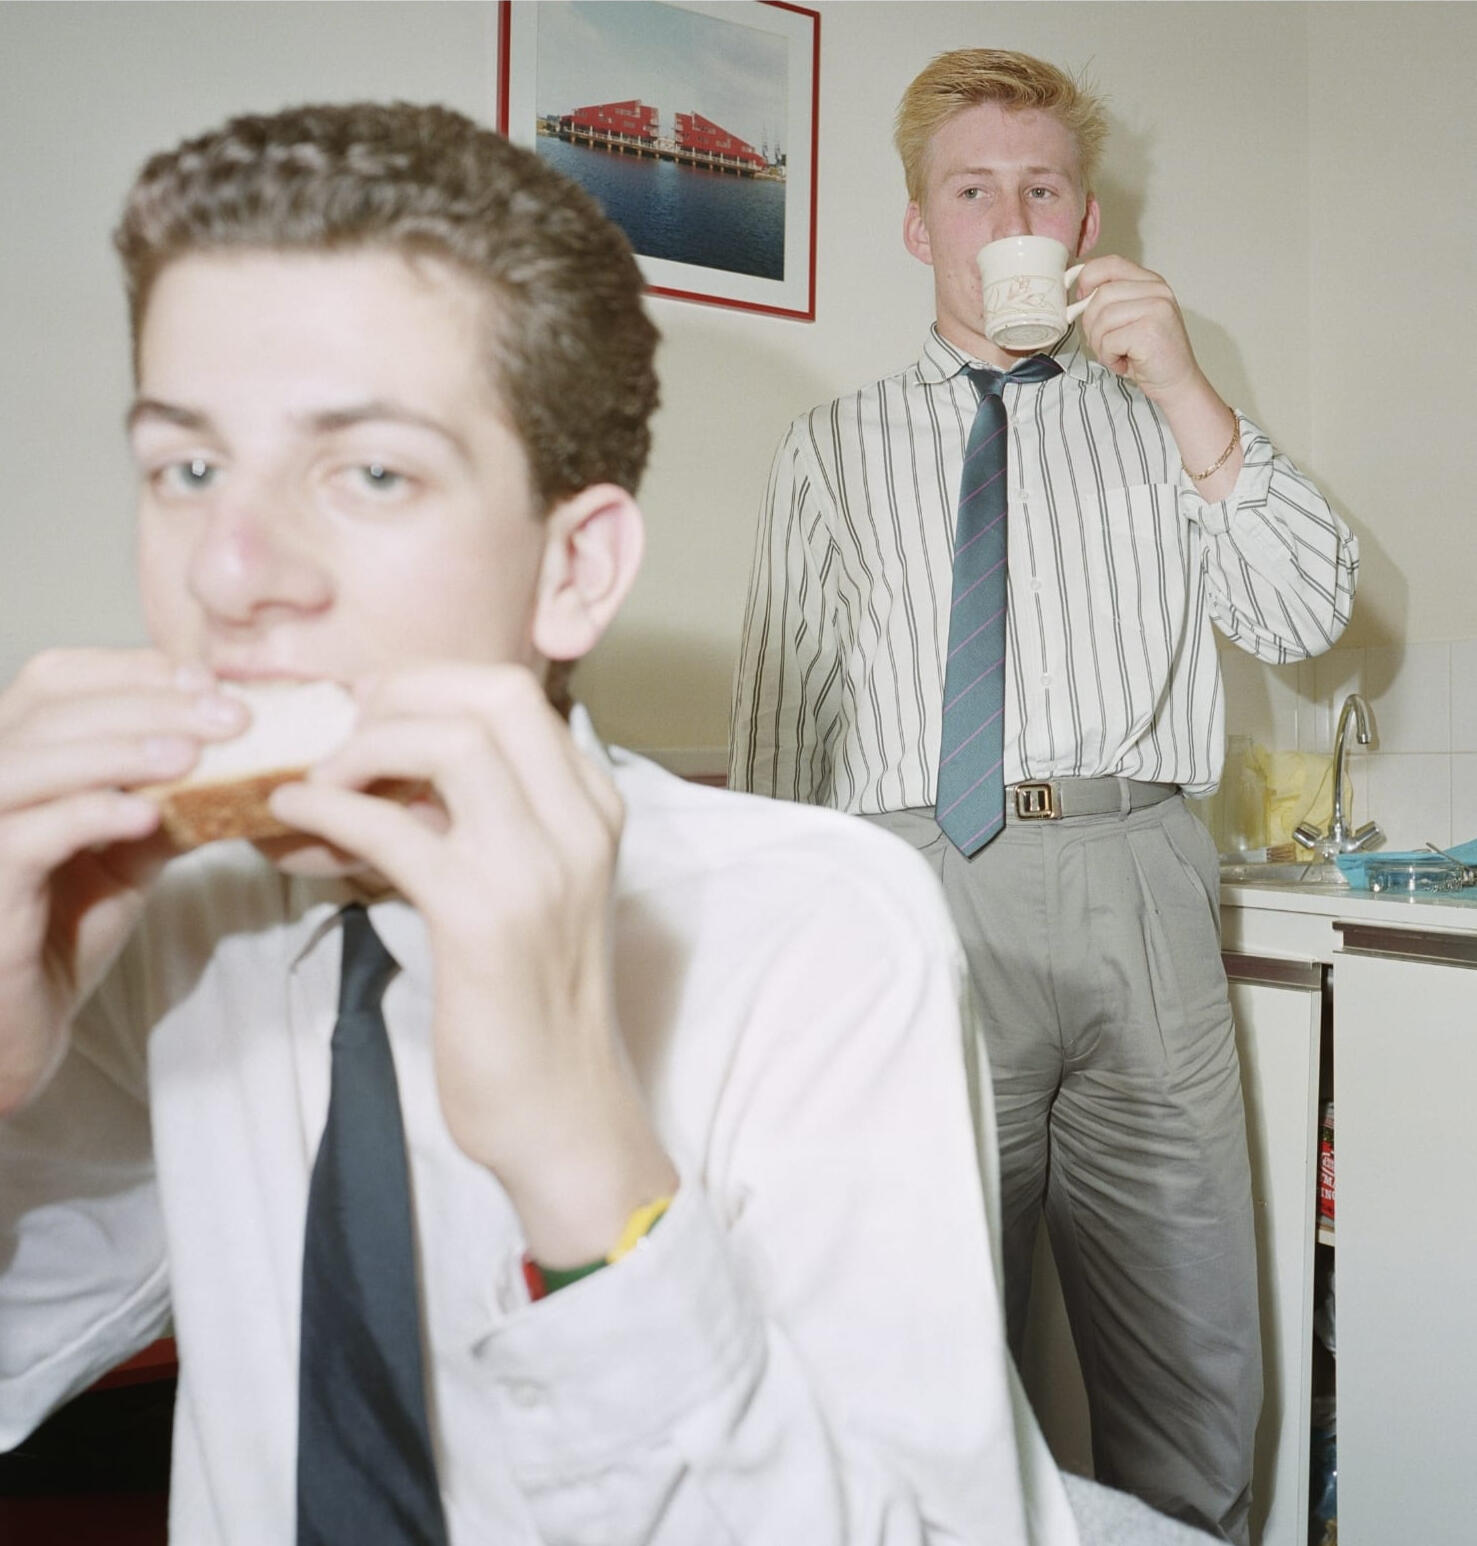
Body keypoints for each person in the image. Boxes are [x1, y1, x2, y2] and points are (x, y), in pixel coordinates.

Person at [0, 99, 1221, 1546]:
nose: (233, 568)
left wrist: (585, 1162)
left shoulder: (811, 932)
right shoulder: (163, 928)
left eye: (370, 470)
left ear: (574, 570)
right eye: (187, 469)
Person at [730, 48, 1359, 1546]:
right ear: (918, 225)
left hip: (1139, 871)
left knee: (1194, 1336)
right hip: (910, 890)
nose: (1005, 212)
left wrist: (1191, 389)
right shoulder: (829, 445)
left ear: (1078, 223)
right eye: (971, 189)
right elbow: (777, 732)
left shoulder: (1159, 415)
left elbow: (1305, 612)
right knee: (920, 1340)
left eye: (1038, 186)